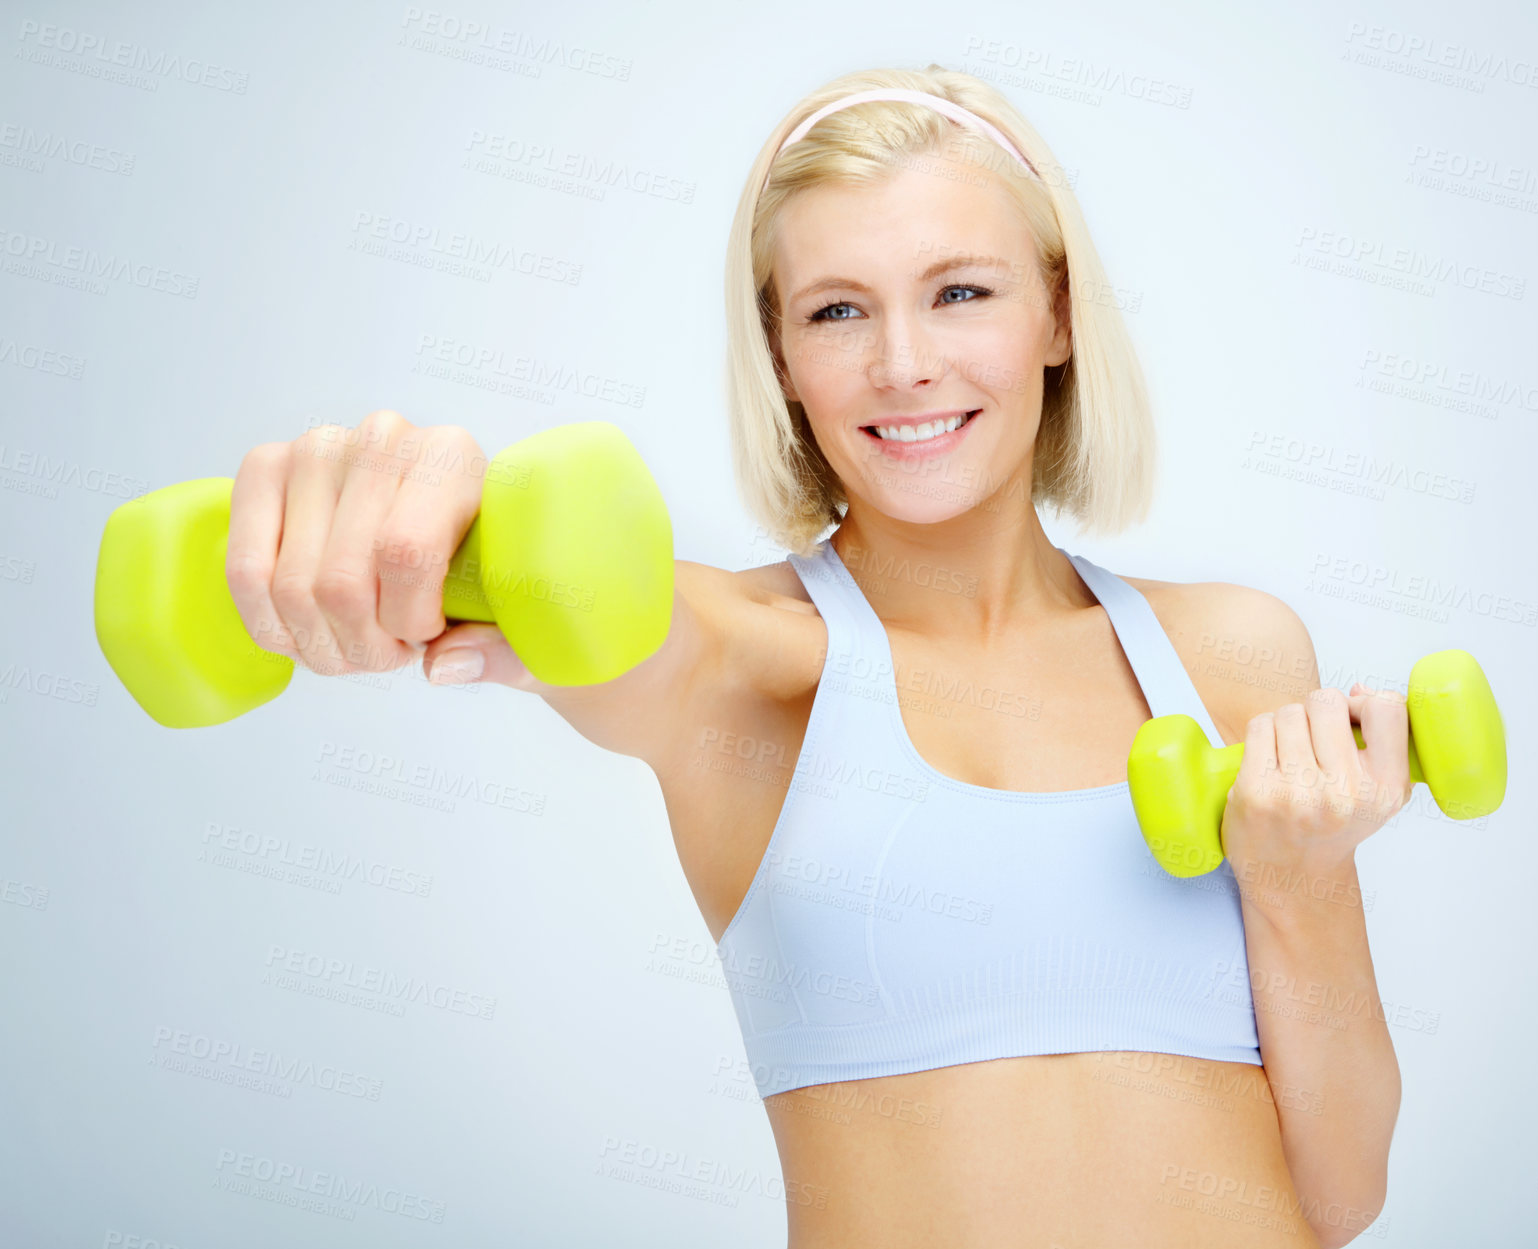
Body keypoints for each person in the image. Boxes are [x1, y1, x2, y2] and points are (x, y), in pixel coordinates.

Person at [223, 63, 1414, 1249]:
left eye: (959, 292)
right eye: (837, 310)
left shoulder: (1231, 654)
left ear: (1055, 312)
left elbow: (1343, 1188)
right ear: (780, 356)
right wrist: (391, 504)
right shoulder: (736, 666)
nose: (903, 363)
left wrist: (1297, 874)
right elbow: (546, 580)